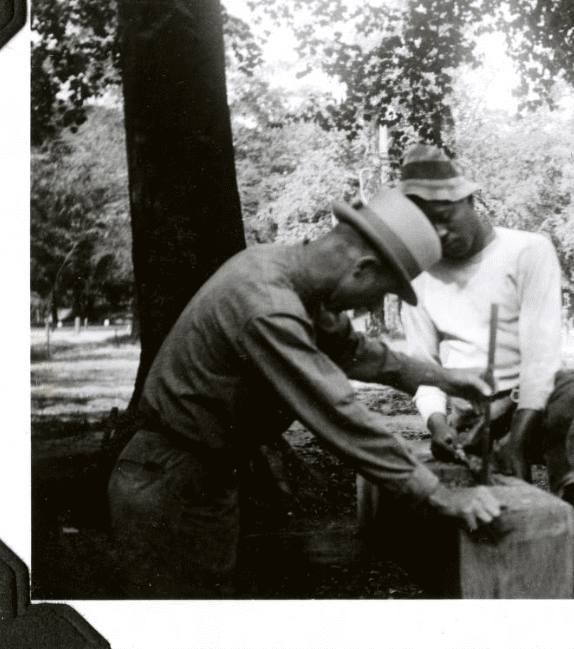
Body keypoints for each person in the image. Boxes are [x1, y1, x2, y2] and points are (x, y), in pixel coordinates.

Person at [107, 191, 502, 598]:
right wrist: (438, 495)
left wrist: (447, 378)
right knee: (180, 634)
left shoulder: (296, 281)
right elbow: (335, 410)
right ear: (363, 269)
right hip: (171, 482)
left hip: (200, 475)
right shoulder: (267, 304)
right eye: (383, 292)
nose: (373, 304)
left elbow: (355, 352)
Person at [395, 145, 574, 587]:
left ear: (471, 202)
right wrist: (437, 422)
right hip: (470, 408)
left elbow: (542, 352)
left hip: (534, 398)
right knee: (476, 512)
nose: (440, 232)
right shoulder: (416, 275)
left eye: (446, 215)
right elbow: (422, 365)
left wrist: (518, 437)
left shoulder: (527, 250)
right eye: (426, 224)